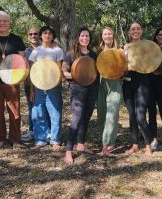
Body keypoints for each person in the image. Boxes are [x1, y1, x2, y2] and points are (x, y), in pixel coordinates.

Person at [0, 11, 26, 149]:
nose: (2, 23)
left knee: (14, 110)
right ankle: (0, 138)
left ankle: (15, 140)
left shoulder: (16, 39)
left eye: (5, 21)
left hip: (12, 80)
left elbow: (22, 61)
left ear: (9, 22)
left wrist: (21, 77)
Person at [63, 27, 99, 164]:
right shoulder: (71, 54)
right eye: (83, 35)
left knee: (86, 117)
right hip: (77, 89)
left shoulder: (93, 55)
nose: (85, 38)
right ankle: (68, 152)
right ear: (78, 37)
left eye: (87, 36)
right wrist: (78, 75)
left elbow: (96, 72)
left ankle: (81, 144)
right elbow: (64, 72)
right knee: (76, 119)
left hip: (92, 89)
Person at [29, 26, 63, 151]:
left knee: (55, 114)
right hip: (38, 88)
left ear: (53, 36)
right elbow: (32, 72)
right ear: (41, 36)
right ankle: (40, 139)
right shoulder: (36, 51)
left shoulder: (57, 51)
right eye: (44, 33)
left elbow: (59, 70)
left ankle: (55, 140)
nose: (47, 35)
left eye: (50, 33)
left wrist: (56, 83)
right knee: (38, 114)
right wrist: (32, 90)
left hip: (53, 88)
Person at [122, 21, 152, 156]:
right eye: (133, 29)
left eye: (138, 29)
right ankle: (135, 145)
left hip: (143, 82)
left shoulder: (147, 45)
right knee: (132, 116)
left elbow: (152, 63)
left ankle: (148, 145)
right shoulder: (125, 46)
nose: (135, 31)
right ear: (129, 32)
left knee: (140, 117)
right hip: (127, 82)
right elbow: (122, 64)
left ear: (142, 31)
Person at [97, 27, 123, 156]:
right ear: (102, 36)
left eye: (110, 34)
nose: (107, 36)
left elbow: (125, 69)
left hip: (115, 85)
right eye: (105, 34)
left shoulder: (120, 52)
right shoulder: (98, 52)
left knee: (112, 115)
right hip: (101, 85)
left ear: (113, 36)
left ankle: (106, 145)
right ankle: (107, 140)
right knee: (102, 114)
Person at [21, 27, 40, 142]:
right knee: (32, 108)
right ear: (28, 37)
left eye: (36, 34)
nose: (33, 36)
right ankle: (31, 131)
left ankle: (44, 131)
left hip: (44, 85)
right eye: (31, 34)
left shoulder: (44, 50)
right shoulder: (24, 52)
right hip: (29, 85)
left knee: (44, 108)